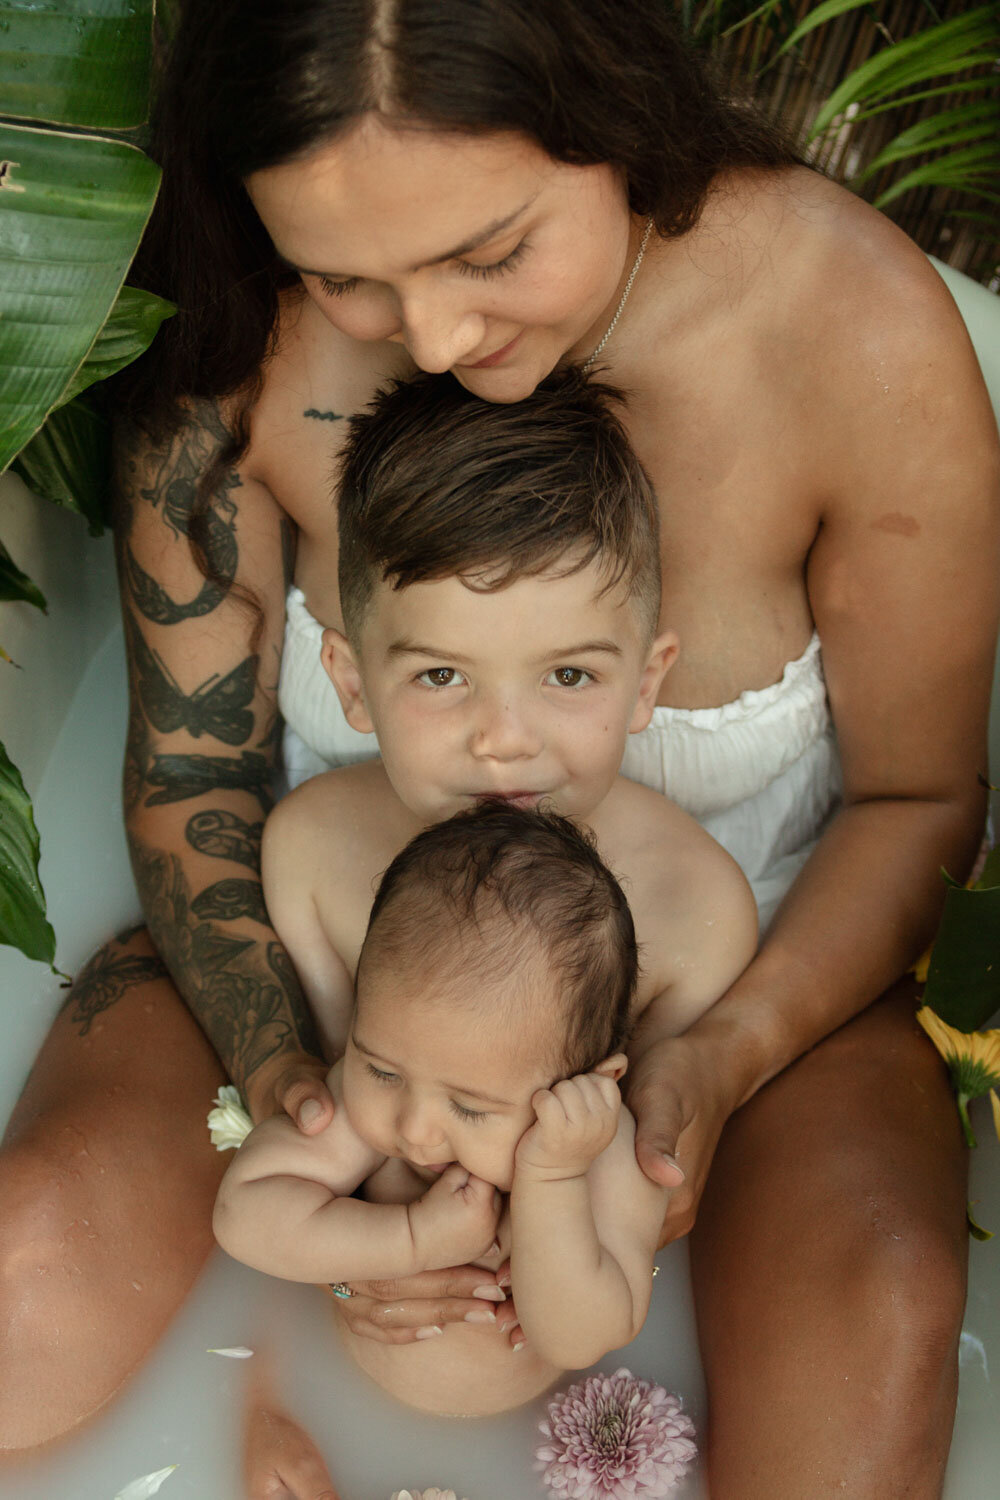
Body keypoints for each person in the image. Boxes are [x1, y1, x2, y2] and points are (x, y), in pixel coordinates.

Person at [0, 2, 996, 1495]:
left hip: (755, 988)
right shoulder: (239, 345)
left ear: (612, 116)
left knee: (877, 1332)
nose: (442, 341)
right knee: (29, 1279)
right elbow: (201, 778)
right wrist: (318, 1100)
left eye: (490, 252)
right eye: (348, 275)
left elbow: (922, 795)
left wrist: (707, 1072)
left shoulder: (848, 328)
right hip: (336, 954)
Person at [212, 370, 754, 1416]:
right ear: (352, 679)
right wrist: (367, 1254)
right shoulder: (316, 854)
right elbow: (338, 1123)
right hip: (337, 1363)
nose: (505, 740)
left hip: (557, 1391)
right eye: (441, 677)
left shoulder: (692, 915)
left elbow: (604, 1290)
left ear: (646, 680)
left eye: (568, 678)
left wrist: (548, 1181)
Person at [216, 805, 665, 1414]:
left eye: (471, 1108)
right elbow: (242, 1215)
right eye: (381, 1068)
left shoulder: (606, 1157)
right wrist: (409, 1238)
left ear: (594, 1087)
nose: (415, 1129)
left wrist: (551, 1180)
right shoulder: (375, 1102)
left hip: (534, 1437)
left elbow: (582, 1336)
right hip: (335, 1405)